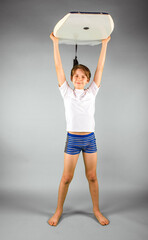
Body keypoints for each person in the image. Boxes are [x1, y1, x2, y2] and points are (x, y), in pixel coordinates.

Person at [48, 32, 111, 226]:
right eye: (76, 76)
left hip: (90, 139)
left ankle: (96, 210)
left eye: (83, 76)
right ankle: (58, 211)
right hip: (73, 140)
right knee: (66, 178)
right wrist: (55, 43)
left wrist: (104, 44)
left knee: (92, 176)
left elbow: (100, 67)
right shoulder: (66, 92)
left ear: (88, 79)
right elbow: (58, 66)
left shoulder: (92, 91)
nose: (79, 79)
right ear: (71, 78)